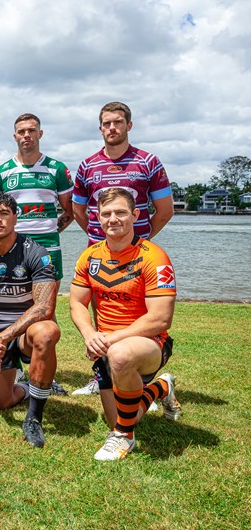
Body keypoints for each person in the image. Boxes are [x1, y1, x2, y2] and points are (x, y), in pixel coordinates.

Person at [71, 101, 174, 396]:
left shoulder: (148, 162)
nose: (112, 128)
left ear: (129, 125)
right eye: (106, 123)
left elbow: (164, 210)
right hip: (99, 255)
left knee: (139, 314)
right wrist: (103, 239)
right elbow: (79, 210)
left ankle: (142, 378)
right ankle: (101, 374)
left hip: (137, 256)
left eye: (118, 122)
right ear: (100, 127)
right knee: (102, 313)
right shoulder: (88, 165)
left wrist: (137, 239)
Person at [70, 188, 181, 461]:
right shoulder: (90, 256)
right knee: (121, 415)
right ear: (97, 217)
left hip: (149, 344)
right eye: (106, 213)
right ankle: (162, 388)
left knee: (120, 358)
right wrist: (89, 334)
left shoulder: (154, 256)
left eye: (120, 212)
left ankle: (123, 438)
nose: (113, 219)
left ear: (135, 215)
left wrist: (111, 340)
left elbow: (160, 318)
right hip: (107, 345)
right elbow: (76, 304)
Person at [0, 192, 60, 448]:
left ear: (15, 218)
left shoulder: (36, 252)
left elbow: (44, 307)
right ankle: (31, 386)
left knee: (47, 331)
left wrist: (4, 337)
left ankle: (34, 418)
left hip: (23, 334)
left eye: (4, 213)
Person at [0, 113, 73, 395]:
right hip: (13, 251)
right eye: (21, 131)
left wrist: (50, 233)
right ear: (14, 136)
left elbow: (68, 210)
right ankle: (20, 371)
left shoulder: (56, 169)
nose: (26, 135)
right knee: (16, 307)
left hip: (48, 249)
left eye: (31, 130)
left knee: (46, 313)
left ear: (40, 133)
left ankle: (47, 376)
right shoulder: (2, 171)